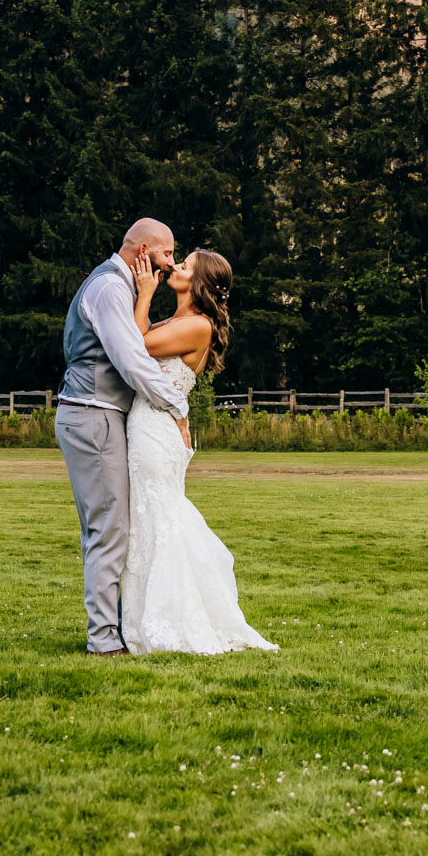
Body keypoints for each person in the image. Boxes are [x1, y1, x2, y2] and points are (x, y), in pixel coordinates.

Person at [118, 246, 276, 655]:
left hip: (156, 433)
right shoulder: (181, 320)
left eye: (184, 265)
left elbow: (135, 347)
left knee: (158, 519)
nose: (174, 266)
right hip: (150, 426)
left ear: (200, 283)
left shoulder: (198, 326)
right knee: (149, 519)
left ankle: (167, 622)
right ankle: (144, 620)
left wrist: (144, 293)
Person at [54, 218, 194, 655]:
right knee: (109, 528)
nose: (171, 262)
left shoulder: (124, 289)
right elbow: (132, 361)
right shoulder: (111, 290)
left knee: (107, 527)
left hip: (99, 415)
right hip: (92, 415)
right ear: (143, 252)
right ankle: (103, 640)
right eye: (167, 253)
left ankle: (112, 628)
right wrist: (179, 406)